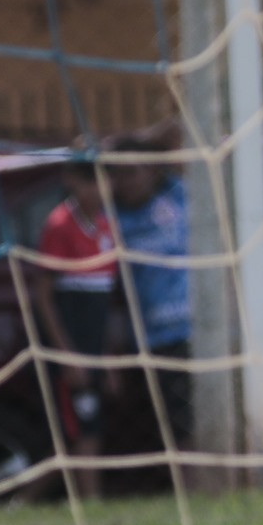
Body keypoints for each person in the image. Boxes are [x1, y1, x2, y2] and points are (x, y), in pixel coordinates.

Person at [33, 159, 117, 499]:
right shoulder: (59, 225)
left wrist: (110, 357)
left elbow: (106, 302)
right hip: (71, 349)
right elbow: (42, 296)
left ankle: (84, 500)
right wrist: (66, 355)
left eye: (103, 182)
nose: (99, 191)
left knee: (88, 427)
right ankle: (85, 501)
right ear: (72, 182)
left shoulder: (105, 226)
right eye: (91, 183)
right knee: (80, 429)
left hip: (94, 348)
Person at [107, 134, 193, 450]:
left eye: (131, 172)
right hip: (152, 341)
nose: (123, 181)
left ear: (153, 171)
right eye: (116, 173)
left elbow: (180, 148)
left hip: (195, 329)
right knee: (175, 430)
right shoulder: (111, 219)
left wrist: (156, 135)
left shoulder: (177, 196)